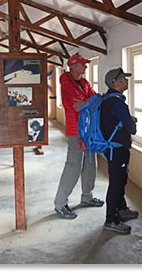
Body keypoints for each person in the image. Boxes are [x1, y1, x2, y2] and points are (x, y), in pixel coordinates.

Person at [54, 53, 104, 219]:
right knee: (73, 165)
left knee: (91, 163)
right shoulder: (66, 83)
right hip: (76, 130)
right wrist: (92, 101)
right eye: (82, 64)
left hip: (89, 129)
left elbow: (94, 99)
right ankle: (60, 203)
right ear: (74, 66)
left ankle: (86, 197)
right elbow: (77, 106)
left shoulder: (84, 82)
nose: (85, 66)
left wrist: (91, 101)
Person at [100, 67, 139, 234]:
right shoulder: (118, 104)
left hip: (112, 148)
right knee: (116, 184)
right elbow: (132, 129)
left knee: (120, 180)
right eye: (124, 78)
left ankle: (121, 208)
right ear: (116, 82)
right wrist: (131, 122)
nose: (127, 81)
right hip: (118, 149)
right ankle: (111, 220)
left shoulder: (108, 100)